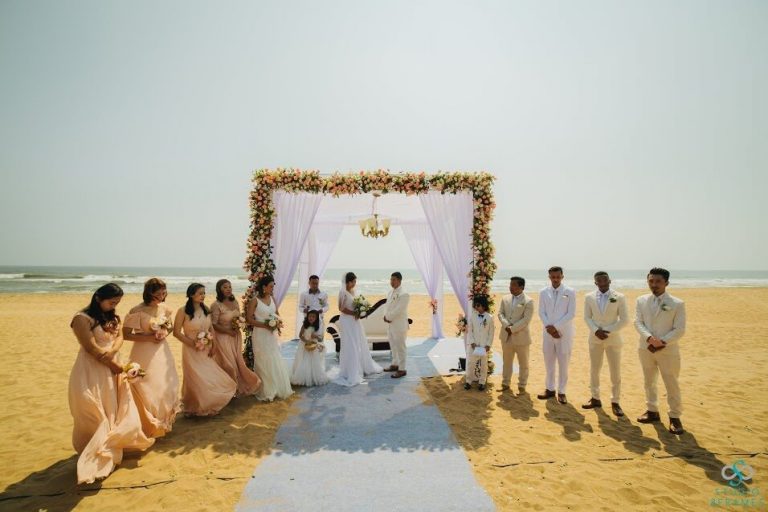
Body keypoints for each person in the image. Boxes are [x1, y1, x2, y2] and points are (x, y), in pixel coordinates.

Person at [69, 283, 154, 484]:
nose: (114, 305)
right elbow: (90, 347)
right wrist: (110, 362)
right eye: (111, 302)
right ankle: (95, 447)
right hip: (92, 368)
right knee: (93, 406)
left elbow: (120, 337)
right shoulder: (82, 318)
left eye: (117, 303)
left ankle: (111, 443)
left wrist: (114, 355)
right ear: (98, 298)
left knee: (114, 406)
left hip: (114, 364)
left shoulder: (112, 317)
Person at [123, 278, 180, 437]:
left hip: (161, 350)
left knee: (164, 383)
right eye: (158, 293)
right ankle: (145, 420)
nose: (162, 296)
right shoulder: (136, 310)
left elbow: (171, 327)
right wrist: (149, 338)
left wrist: (163, 333)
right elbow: (126, 334)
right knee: (144, 383)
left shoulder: (164, 308)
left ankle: (162, 420)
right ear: (149, 293)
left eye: (164, 292)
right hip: (143, 350)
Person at [634, 267, 687, 434]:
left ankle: (675, 417)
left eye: (658, 281)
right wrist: (650, 338)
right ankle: (652, 411)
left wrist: (662, 341)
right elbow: (638, 322)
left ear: (666, 283)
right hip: (646, 347)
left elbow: (680, 329)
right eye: (651, 281)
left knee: (671, 383)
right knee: (649, 381)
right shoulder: (641, 300)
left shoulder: (677, 303)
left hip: (668, 350)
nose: (654, 284)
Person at [173, 283, 237, 416]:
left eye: (204, 293)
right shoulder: (183, 310)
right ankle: (194, 406)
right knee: (196, 377)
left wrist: (213, 344)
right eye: (200, 293)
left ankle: (208, 404)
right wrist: (193, 343)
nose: (203, 296)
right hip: (191, 349)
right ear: (191, 294)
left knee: (209, 374)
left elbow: (210, 329)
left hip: (206, 348)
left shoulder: (206, 309)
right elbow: (176, 332)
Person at [582, 271, 629, 417]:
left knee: (615, 371)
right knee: (594, 369)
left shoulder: (619, 297)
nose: (602, 283)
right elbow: (587, 317)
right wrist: (596, 331)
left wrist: (606, 331)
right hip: (595, 338)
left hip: (613, 339)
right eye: (599, 281)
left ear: (610, 281)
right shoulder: (589, 297)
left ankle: (615, 401)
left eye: (605, 280)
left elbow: (624, 319)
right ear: (595, 283)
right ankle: (595, 398)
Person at [210, 279, 262, 396]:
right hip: (223, 337)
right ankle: (228, 388)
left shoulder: (235, 302)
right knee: (228, 363)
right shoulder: (216, 305)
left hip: (236, 337)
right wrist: (228, 331)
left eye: (229, 287)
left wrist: (239, 324)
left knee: (238, 362)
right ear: (219, 289)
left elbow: (239, 317)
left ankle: (236, 386)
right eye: (225, 287)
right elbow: (213, 324)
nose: (228, 289)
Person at [246, 276, 294, 401]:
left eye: (273, 286)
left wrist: (278, 323)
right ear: (264, 287)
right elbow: (249, 319)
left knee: (274, 357)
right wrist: (265, 325)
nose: (273, 288)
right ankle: (266, 389)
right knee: (263, 360)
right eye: (271, 286)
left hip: (271, 335)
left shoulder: (272, 298)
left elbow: (277, 314)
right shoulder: (254, 301)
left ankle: (277, 387)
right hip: (260, 335)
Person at [334, 271, 383, 386]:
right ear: (348, 281)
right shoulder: (342, 292)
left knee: (358, 342)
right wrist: (353, 313)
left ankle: (362, 366)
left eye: (355, 281)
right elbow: (341, 308)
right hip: (347, 321)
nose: (355, 283)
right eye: (353, 281)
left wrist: (360, 311)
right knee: (350, 344)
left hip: (355, 321)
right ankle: (350, 370)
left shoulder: (353, 291)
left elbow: (357, 304)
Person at [537, 266, 576, 404]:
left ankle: (562, 391)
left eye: (558, 277)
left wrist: (556, 327)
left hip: (564, 333)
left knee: (563, 363)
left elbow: (571, 313)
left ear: (562, 277)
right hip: (548, 333)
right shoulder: (543, 292)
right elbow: (541, 312)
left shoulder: (570, 292)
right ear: (549, 277)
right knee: (549, 362)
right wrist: (550, 328)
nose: (555, 279)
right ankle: (550, 389)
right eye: (553, 277)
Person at [497, 276, 534, 393]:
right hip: (506, 336)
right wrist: (506, 325)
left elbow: (526, 319)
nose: (510, 287)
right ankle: (505, 383)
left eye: (513, 285)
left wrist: (512, 329)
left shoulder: (528, 301)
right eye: (510, 284)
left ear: (521, 287)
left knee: (523, 363)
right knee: (507, 362)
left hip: (521, 337)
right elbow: (500, 314)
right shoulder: (505, 298)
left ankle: (522, 385)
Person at [382, 271, 410, 379]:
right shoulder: (390, 292)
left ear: (399, 280)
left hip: (399, 325)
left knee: (401, 347)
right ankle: (395, 364)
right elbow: (386, 307)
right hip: (390, 325)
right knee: (393, 346)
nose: (391, 282)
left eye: (393, 280)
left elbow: (399, 310)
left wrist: (388, 317)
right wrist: (385, 316)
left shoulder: (404, 294)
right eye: (390, 279)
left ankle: (402, 369)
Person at [291, 310, 330, 387]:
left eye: (313, 317)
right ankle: (304, 376)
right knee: (304, 360)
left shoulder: (318, 327)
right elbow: (300, 335)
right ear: (307, 317)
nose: (311, 318)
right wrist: (306, 341)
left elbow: (320, 338)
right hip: (304, 345)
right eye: (310, 316)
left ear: (316, 318)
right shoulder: (304, 325)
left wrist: (315, 336)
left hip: (314, 345)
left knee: (314, 361)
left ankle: (313, 376)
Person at [464, 295, 495, 391]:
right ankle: (468, 381)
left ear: (483, 305)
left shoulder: (489, 317)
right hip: (474, 345)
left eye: (478, 305)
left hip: (484, 346)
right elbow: (470, 331)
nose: (476, 307)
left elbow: (491, 332)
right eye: (475, 305)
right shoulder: (473, 316)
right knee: (471, 363)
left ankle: (482, 382)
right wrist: (472, 342)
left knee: (484, 365)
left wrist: (488, 345)